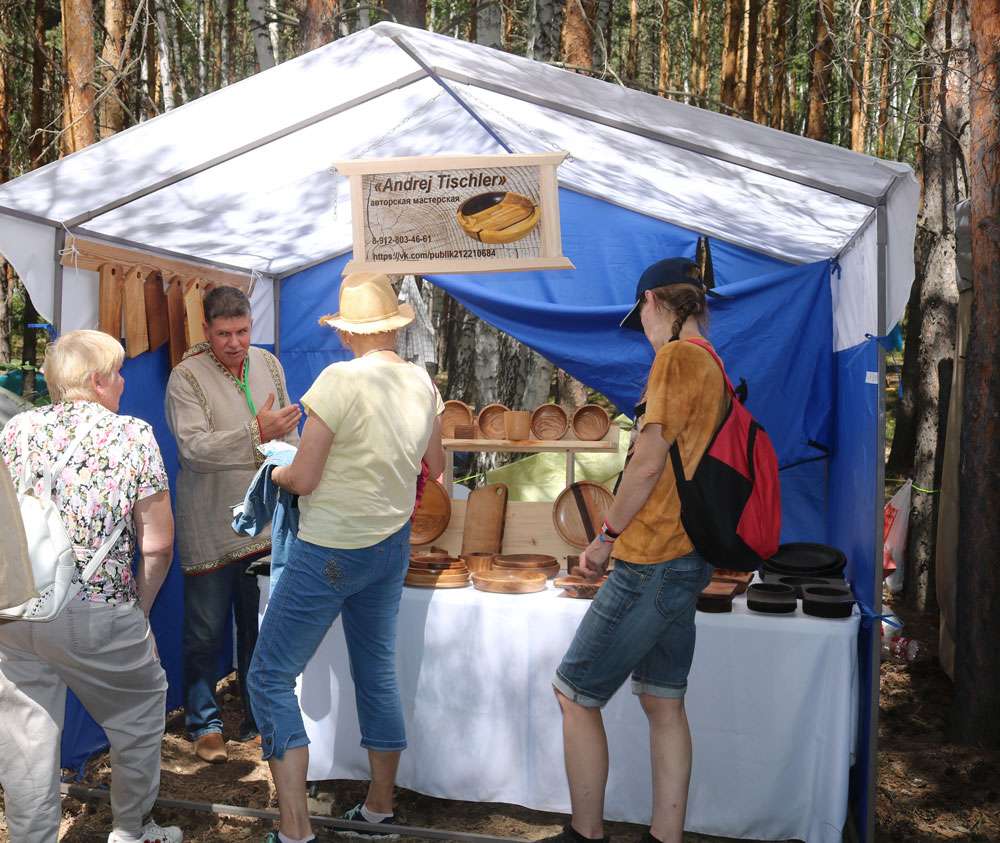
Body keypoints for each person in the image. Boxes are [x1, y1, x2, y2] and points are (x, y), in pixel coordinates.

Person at [247, 272, 444, 843]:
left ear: (346, 333)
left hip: (332, 546)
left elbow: (304, 479)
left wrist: (272, 464)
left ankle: (295, 830)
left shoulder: (339, 379)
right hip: (388, 545)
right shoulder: (419, 382)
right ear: (389, 328)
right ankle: (379, 812)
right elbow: (434, 465)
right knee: (376, 669)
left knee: (267, 677)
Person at [544, 258, 725, 843]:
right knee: (663, 702)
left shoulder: (675, 359)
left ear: (653, 302)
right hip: (687, 557)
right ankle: (665, 837)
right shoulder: (714, 363)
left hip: (651, 560)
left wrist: (603, 541)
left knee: (573, 692)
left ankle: (585, 833)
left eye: (641, 315)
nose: (642, 328)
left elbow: (647, 464)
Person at [0, 329, 181, 843]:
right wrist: (139, 612)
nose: (123, 382)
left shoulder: (17, 430)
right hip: (97, 609)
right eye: (118, 372)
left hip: (16, 608)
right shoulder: (132, 436)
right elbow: (158, 545)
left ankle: (31, 836)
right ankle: (131, 830)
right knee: (139, 718)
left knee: (25, 737)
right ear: (99, 381)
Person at [165, 285, 300, 764]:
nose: (235, 342)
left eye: (242, 330)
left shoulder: (269, 364)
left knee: (260, 629)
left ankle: (259, 720)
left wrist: (296, 471)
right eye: (223, 333)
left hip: (267, 523)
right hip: (211, 525)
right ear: (207, 330)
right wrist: (254, 434)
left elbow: (288, 431)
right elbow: (192, 449)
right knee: (204, 631)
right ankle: (205, 724)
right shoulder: (186, 376)